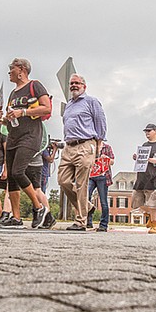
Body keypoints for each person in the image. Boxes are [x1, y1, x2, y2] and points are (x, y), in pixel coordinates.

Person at [0, 58, 51, 229]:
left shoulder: (35, 85)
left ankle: (39, 207)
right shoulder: (13, 94)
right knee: (11, 177)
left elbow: (47, 108)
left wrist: (24, 111)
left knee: (19, 172)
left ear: (21, 69)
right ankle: (16, 218)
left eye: (11, 69)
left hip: (30, 136)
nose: (9, 72)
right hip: (13, 136)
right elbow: (11, 119)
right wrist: (2, 119)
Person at [58, 73, 107, 231]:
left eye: (77, 83)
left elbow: (100, 122)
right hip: (69, 146)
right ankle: (87, 206)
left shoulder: (91, 101)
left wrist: (99, 143)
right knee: (63, 181)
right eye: (71, 83)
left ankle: (81, 221)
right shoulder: (69, 104)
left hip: (85, 145)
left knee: (81, 184)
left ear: (84, 86)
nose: (73, 85)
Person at [131, 124, 156, 234]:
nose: (147, 133)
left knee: (154, 200)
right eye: (146, 131)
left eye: (149, 131)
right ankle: (150, 216)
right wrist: (137, 157)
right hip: (144, 178)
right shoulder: (145, 145)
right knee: (136, 201)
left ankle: (155, 224)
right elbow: (142, 160)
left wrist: (153, 160)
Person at [87, 141, 115, 232]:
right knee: (86, 197)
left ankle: (103, 224)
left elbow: (112, 161)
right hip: (91, 175)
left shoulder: (107, 147)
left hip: (103, 176)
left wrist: (106, 158)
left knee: (103, 201)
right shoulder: (90, 147)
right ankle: (88, 222)